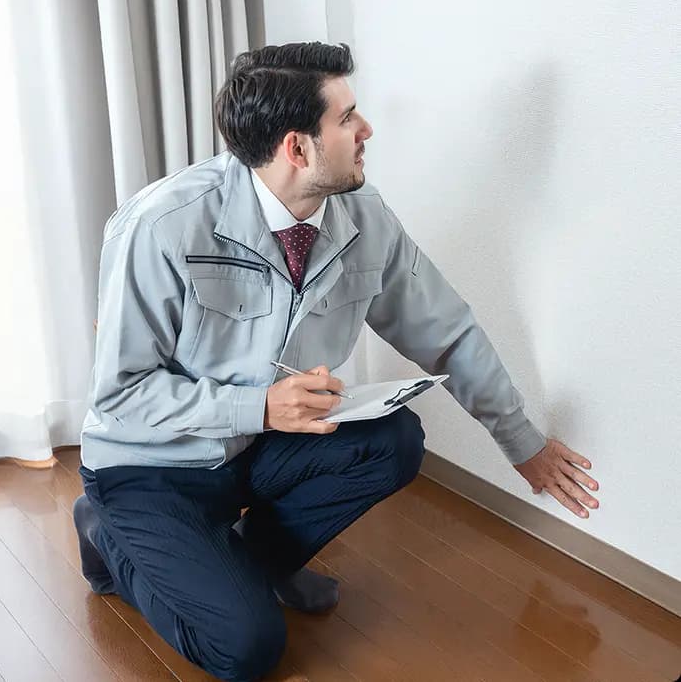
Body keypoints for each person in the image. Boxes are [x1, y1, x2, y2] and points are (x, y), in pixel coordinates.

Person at [74, 42, 600, 682]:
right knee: (247, 650)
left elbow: (449, 332)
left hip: (253, 448)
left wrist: (522, 444)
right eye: (348, 117)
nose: (366, 130)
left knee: (394, 439)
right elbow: (119, 395)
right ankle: (105, 535)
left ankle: (251, 561)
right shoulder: (162, 225)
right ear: (297, 148)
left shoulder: (362, 216)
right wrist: (261, 405)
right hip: (150, 466)